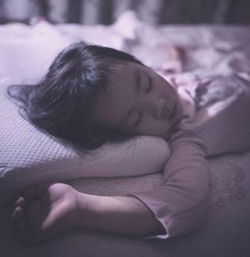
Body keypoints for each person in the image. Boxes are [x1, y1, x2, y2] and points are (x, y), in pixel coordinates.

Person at [9, 42, 250, 245]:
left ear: (142, 65)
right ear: (122, 135)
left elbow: (165, 75)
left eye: (146, 82)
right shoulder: (189, 135)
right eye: (136, 117)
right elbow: (185, 203)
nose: (158, 104)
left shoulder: (168, 83)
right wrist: (82, 207)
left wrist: (176, 61)